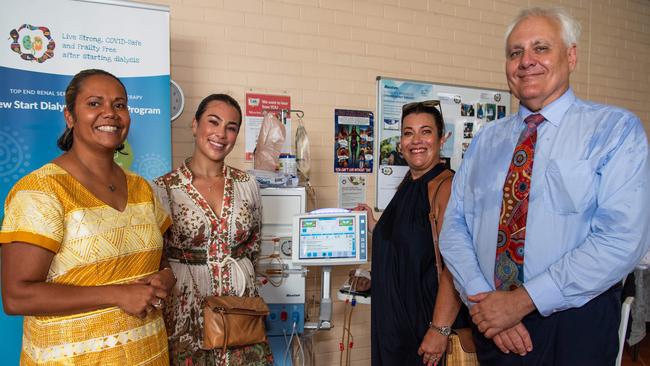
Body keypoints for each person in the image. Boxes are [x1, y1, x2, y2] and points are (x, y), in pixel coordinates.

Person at [440, 7, 650, 366]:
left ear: (571, 56)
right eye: (515, 52)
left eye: (541, 48)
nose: (526, 61)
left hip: (575, 324)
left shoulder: (615, 131)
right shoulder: (485, 141)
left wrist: (520, 302)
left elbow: (621, 240)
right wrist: (485, 301)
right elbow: (454, 228)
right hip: (492, 324)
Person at [0, 69, 174, 364]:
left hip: (148, 354)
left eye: (119, 105)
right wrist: (118, 295)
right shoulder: (42, 190)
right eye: (95, 103)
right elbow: (17, 296)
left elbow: (162, 263)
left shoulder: (142, 188)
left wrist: (166, 279)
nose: (110, 113)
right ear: (70, 117)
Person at [153, 94, 273, 366]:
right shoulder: (164, 188)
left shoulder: (247, 184)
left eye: (231, 127)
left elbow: (254, 247)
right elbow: (157, 257)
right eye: (213, 122)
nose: (221, 134)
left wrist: (243, 281)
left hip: (239, 306)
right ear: (195, 125)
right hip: (186, 306)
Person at [353, 100, 469, 366]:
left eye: (426, 131)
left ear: (443, 139)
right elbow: (409, 244)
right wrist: (374, 225)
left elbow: (457, 266)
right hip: (394, 330)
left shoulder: (446, 187)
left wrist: (439, 330)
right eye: (408, 132)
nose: (416, 140)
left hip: (425, 330)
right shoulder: (409, 184)